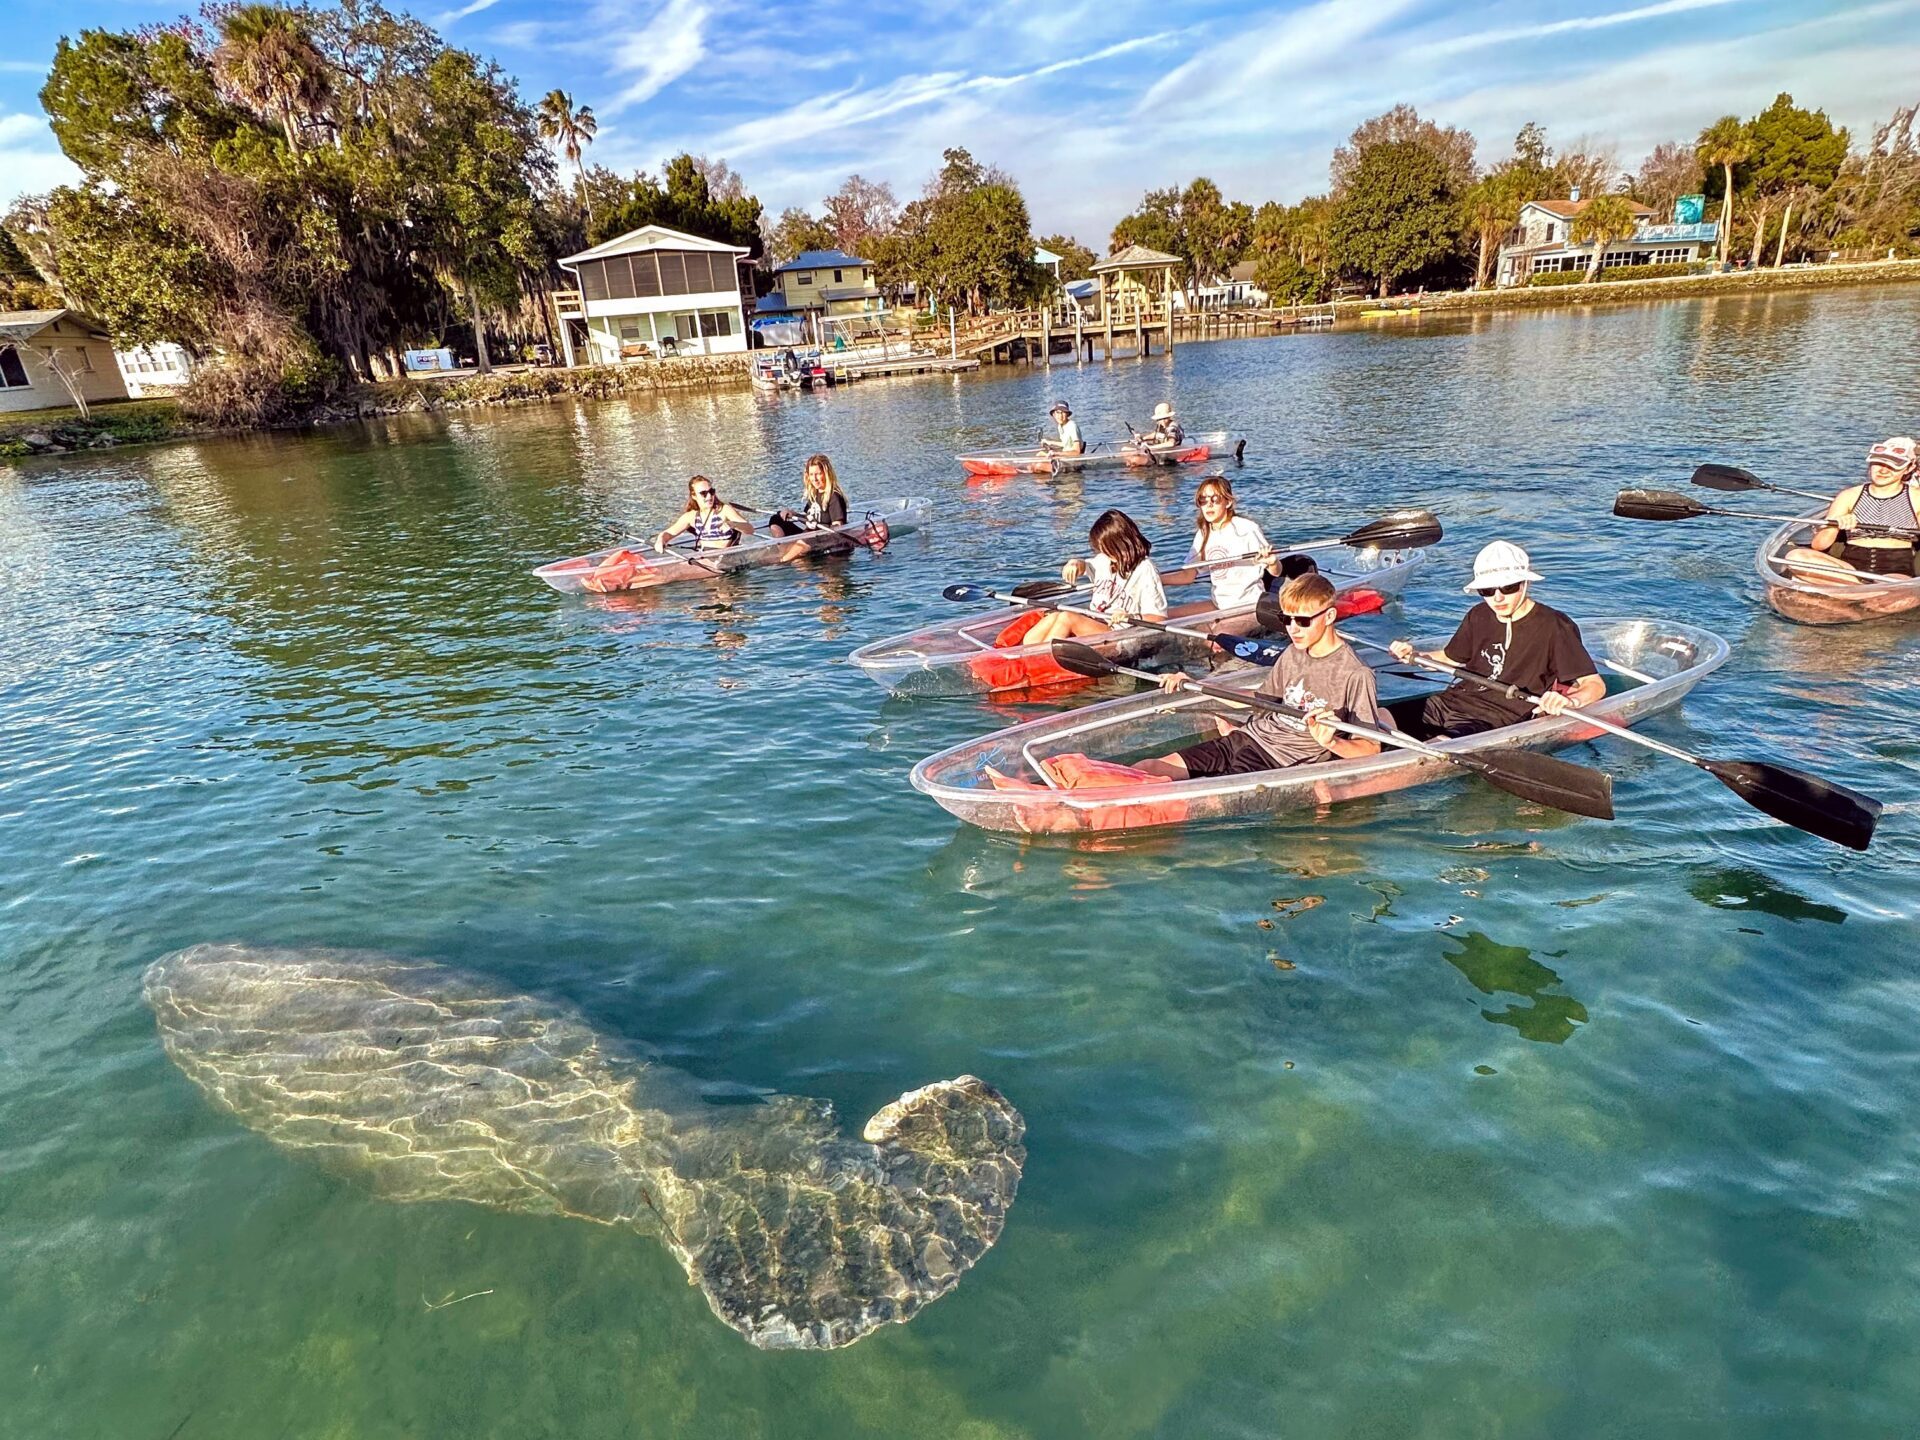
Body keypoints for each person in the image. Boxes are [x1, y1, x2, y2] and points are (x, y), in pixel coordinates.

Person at [1131, 572, 1386, 779]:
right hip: (1248, 737)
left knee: (1204, 797)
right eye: (1286, 619)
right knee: (1149, 768)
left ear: (1329, 616)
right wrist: (1197, 684)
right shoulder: (1293, 652)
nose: (1293, 629)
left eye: (1302, 621)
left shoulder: (1356, 673)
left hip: (1280, 759)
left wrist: (1332, 744)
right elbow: (1260, 700)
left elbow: (1370, 748)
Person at [1386, 541, 1603, 740]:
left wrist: (1571, 701)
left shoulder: (1555, 625)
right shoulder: (1478, 615)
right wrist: (1413, 656)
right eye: (1487, 590)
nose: (1497, 598)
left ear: (1525, 583)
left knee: (1439, 745)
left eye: (1508, 588)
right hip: (1449, 702)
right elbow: (1448, 658)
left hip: (1497, 716)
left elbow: (1593, 685)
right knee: (1378, 717)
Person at [1781, 437, 1920, 581]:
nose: (1883, 470)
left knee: (1893, 584)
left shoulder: (1916, 497)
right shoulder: (1848, 495)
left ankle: (1859, 590)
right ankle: (1862, 588)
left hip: (1895, 569)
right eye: (1878, 463)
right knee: (1796, 556)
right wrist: (1834, 525)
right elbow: (1819, 545)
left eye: (1894, 466)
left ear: (1909, 468)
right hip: (1850, 568)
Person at [1022, 509, 1167, 645]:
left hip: (1119, 632)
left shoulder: (1145, 569)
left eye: (1108, 548)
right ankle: (1026, 650)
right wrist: (1074, 563)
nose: (1104, 552)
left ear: (1122, 543)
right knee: (1054, 616)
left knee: (1067, 617)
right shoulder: (1104, 560)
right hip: (1095, 622)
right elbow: (1085, 566)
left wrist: (1130, 616)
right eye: (1101, 548)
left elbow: (1158, 617)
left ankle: (1042, 655)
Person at [1156, 475, 1278, 617]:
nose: (1209, 505)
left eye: (1215, 499)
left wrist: (1272, 563)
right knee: (1162, 618)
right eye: (1203, 500)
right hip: (1218, 604)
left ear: (1228, 502)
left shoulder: (1247, 529)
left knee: (1212, 632)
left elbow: (1276, 571)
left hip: (1248, 605)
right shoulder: (1203, 533)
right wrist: (1156, 579)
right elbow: (1188, 575)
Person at [653, 476, 755, 553]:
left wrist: (733, 524)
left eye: (711, 491)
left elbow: (750, 529)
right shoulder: (691, 516)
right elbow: (669, 533)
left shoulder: (724, 510)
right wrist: (661, 539)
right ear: (694, 496)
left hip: (726, 559)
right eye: (703, 493)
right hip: (706, 558)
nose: (709, 496)